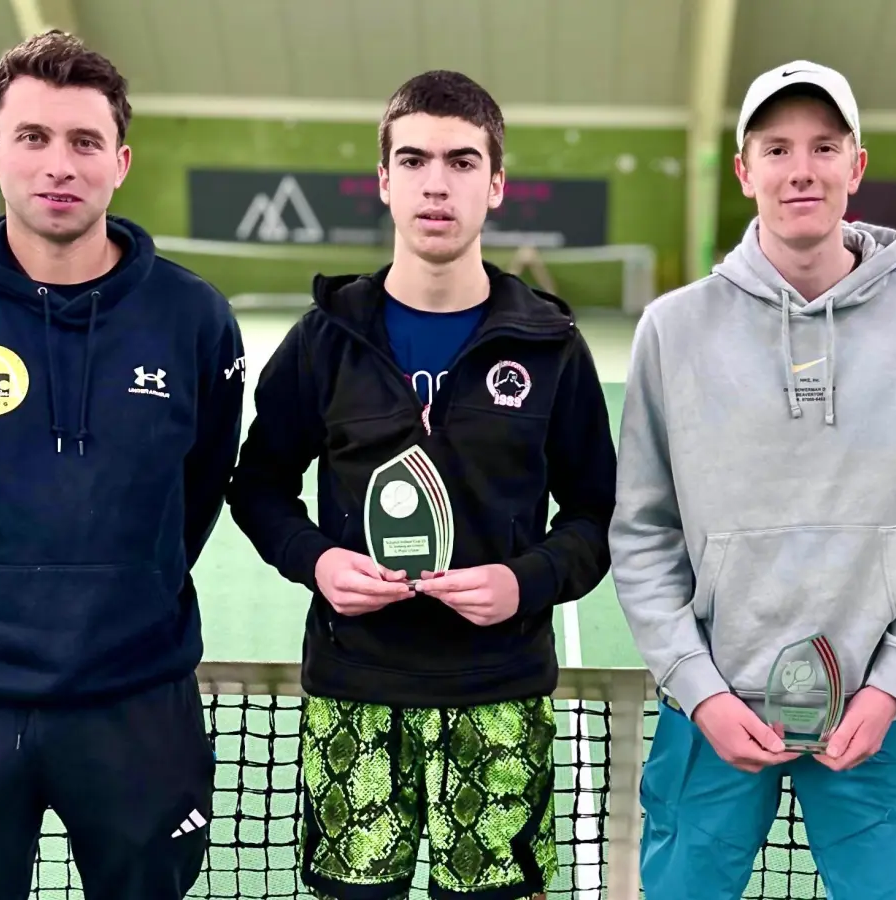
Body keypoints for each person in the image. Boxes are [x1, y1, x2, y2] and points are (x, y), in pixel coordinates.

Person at [0, 30, 245, 900]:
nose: (57, 164)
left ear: (121, 161)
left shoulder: (193, 319)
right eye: (32, 138)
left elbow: (200, 483)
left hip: (137, 698)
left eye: (83, 141)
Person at [224, 70, 616, 900]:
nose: (437, 183)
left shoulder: (552, 347)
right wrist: (316, 562)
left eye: (463, 161)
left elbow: (597, 514)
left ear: (496, 184)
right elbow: (257, 486)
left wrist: (525, 581)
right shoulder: (324, 341)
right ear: (385, 181)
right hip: (355, 693)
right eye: (415, 160)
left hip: (500, 696)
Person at [609, 59, 896, 899]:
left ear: (857, 165)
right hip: (710, 715)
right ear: (744, 171)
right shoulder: (672, 329)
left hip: (871, 719)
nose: (801, 169)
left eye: (824, 146)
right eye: (776, 148)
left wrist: (891, 684)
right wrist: (699, 690)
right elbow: (641, 532)